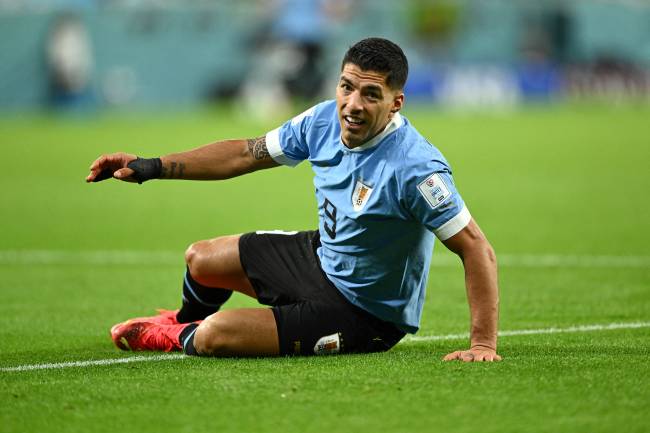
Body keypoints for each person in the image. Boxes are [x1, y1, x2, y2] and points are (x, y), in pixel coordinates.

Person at [86, 38, 501, 362]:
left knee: (216, 335)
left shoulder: (416, 168)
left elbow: (475, 247)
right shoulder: (321, 120)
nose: (352, 105)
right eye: (347, 87)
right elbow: (244, 153)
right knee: (200, 259)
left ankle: (176, 336)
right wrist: (151, 166)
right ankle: (184, 319)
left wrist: (482, 344)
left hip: (364, 313)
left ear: (396, 103)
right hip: (320, 258)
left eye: (371, 95)